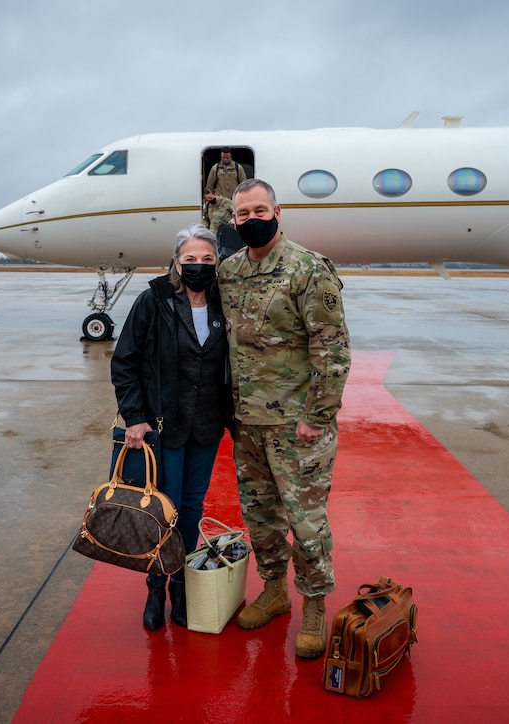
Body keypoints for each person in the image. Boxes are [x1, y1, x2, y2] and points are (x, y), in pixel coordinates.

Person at [217, 179, 351, 659]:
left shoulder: (307, 268)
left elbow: (332, 349)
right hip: (248, 422)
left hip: (298, 426)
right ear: (232, 221)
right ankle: (274, 590)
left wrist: (317, 416)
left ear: (278, 211)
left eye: (259, 209)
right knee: (259, 516)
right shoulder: (229, 271)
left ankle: (314, 604)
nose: (251, 218)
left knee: (306, 521)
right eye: (242, 213)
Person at [111, 223, 231, 631]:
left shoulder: (224, 303)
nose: (199, 265)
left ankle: (181, 584)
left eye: (207, 259)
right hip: (164, 426)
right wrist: (134, 417)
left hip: (207, 426)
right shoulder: (153, 301)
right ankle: (155, 584)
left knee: (194, 508)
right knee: (166, 508)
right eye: (190, 259)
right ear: (176, 263)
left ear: (218, 263)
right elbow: (124, 361)